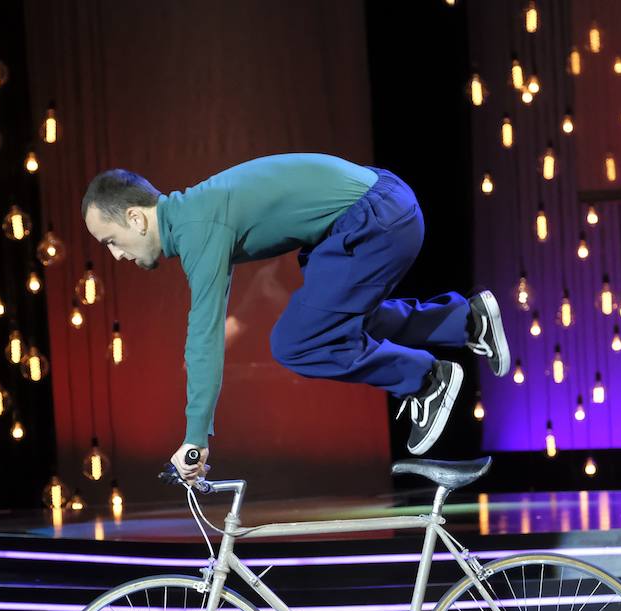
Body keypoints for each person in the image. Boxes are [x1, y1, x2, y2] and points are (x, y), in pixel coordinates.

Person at [81, 153, 511, 480]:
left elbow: (204, 336)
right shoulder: (196, 214)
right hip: (378, 210)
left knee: (296, 343)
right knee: (333, 325)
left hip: (375, 219)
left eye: (110, 241)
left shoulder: (196, 224)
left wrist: (194, 440)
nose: (116, 255)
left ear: (136, 219)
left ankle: (428, 380)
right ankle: (466, 321)